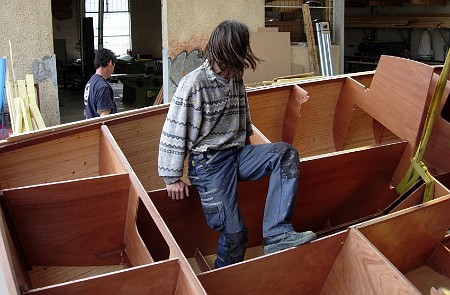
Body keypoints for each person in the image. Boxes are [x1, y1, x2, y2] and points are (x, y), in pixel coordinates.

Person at [158, 20, 316, 269]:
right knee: (235, 235)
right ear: (225, 53)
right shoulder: (195, 84)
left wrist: (250, 146)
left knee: (285, 154)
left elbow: (242, 114)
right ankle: (221, 281)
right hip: (208, 164)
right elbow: (174, 131)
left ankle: (277, 235)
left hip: (237, 153)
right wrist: (171, 176)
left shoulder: (235, 77)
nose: (235, 67)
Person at [84, 48, 117, 118]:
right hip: (99, 128)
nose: (113, 70)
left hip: (91, 126)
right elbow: (104, 119)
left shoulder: (91, 82)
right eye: (114, 66)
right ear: (110, 62)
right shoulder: (103, 87)